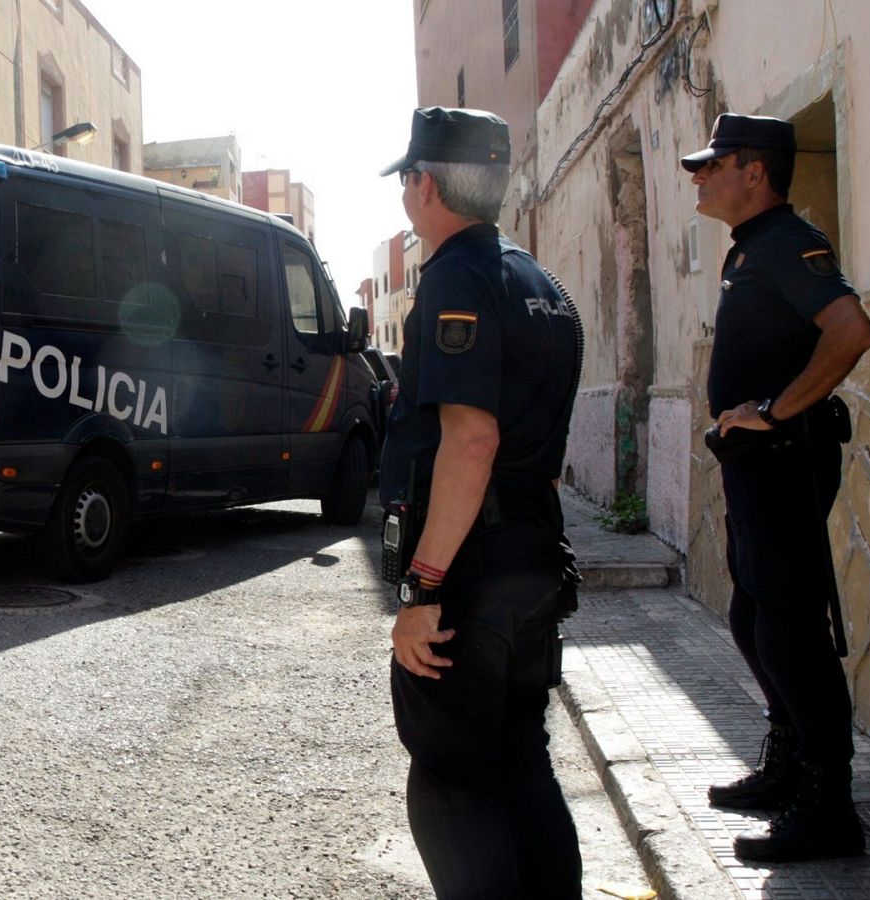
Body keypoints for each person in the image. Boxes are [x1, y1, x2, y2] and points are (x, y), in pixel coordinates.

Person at [378, 107, 584, 899]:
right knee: (521, 761)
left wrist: (422, 586)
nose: (405, 189)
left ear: (424, 184)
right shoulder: (543, 283)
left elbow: (471, 442)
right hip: (533, 556)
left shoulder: (457, 277)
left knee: (452, 777)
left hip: (472, 572)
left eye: (406, 175)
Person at [684, 113, 870, 862]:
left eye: (712, 164)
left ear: (754, 171)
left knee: (790, 630)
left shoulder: (790, 243)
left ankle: (828, 807)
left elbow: (853, 330)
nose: (700, 177)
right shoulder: (751, 250)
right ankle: (790, 761)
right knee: (753, 616)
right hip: (756, 467)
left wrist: (773, 411)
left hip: (786, 460)